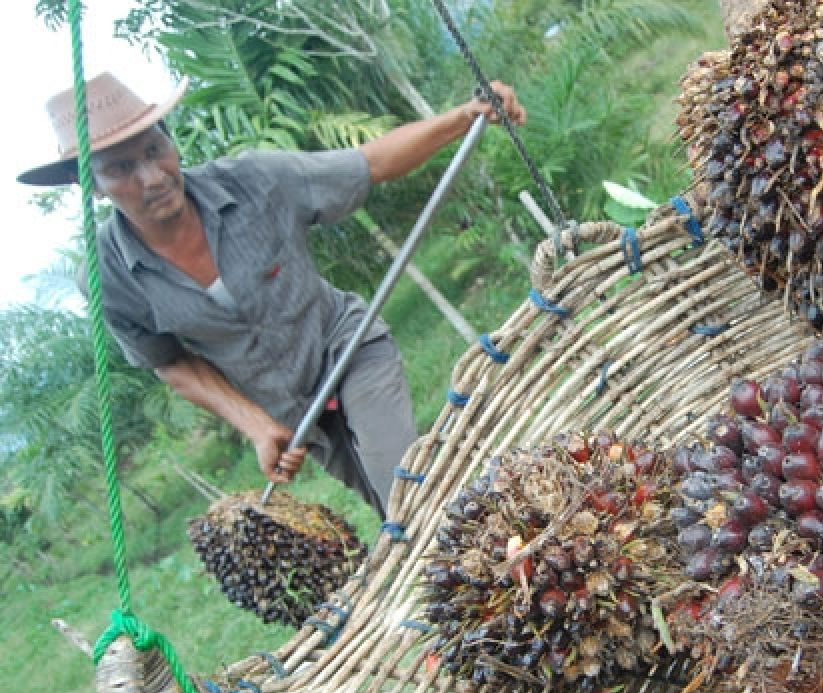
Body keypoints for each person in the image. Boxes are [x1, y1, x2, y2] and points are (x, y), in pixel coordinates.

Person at [18, 72, 526, 518]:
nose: (151, 177)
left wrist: (465, 116)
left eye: (154, 151)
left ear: (170, 143)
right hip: (297, 413)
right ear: (90, 186)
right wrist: (256, 424)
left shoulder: (254, 182)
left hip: (347, 349)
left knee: (406, 488)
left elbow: (368, 164)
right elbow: (170, 364)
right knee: (395, 518)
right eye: (121, 169)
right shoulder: (107, 278)